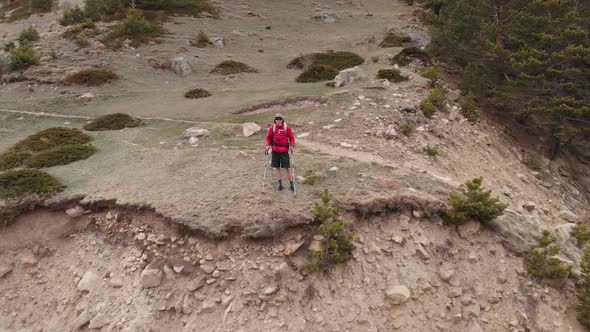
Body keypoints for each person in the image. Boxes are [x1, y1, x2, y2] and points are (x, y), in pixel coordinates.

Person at [265, 113, 295, 191]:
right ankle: (280, 184)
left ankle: (292, 184)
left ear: (282, 120)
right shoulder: (272, 128)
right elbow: (268, 138)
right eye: (277, 119)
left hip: (284, 151)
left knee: (287, 168)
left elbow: (292, 138)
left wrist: (292, 146)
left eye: (280, 119)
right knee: (277, 168)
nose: (278, 120)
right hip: (275, 151)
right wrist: (267, 145)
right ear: (275, 120)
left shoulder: (286, 128)